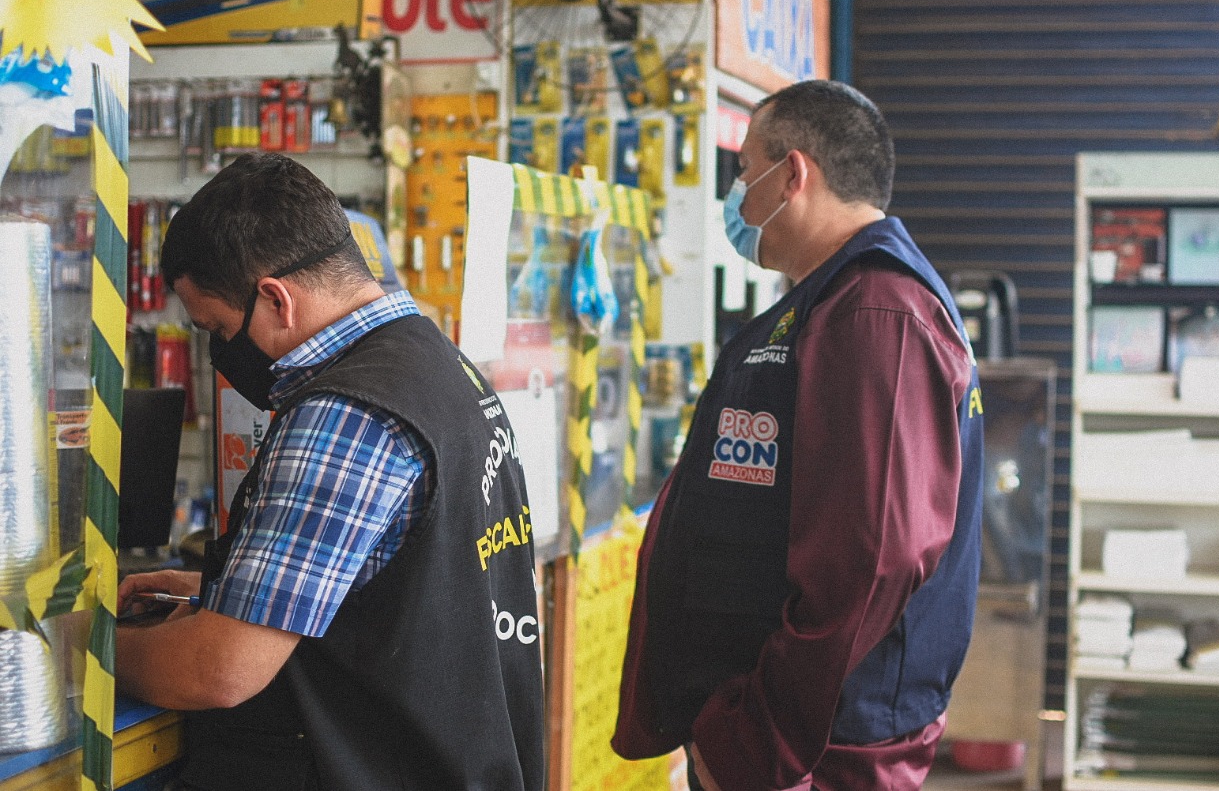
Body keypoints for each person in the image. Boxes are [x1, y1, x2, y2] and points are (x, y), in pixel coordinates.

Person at [116, 152, 545, 790]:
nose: (221, 351)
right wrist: (226, 588)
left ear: (275, 299)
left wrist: (85, 649)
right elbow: (414, 580)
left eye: (219, 328)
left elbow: (220, 670)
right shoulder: (438, 366)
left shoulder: (345, 414)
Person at [612, 80, 984, 790]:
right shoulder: (834, 301)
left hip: (817, 748)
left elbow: (872, 560)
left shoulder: (877, 312)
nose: (736, 194)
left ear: (793, 175)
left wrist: (756, 741)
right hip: (793, 736)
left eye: (744, 169)